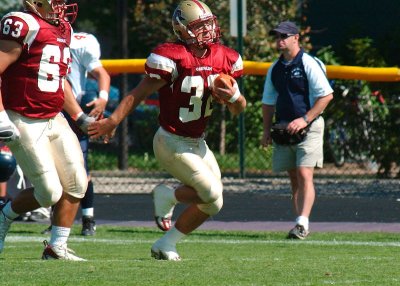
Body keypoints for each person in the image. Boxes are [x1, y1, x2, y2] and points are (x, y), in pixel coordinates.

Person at [89, 0, 246, 261]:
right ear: (183, 30)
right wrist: (113, 121)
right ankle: (167, 194)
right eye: (201, 26)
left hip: (198, 142)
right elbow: (138, 93)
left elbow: (238, 110)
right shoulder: (172, 56)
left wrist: (235, 97)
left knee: (214, 203)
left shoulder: (224, 57)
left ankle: (166, 243)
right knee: (211, 193)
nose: (209, 31)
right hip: (171, 141)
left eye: (209, 25)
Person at [0, 0, 93, 260]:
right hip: (24, 117)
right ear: (35, 3)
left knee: (77, 183)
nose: (62, 8)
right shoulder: (23, 23)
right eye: (56, 2)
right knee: (49, 191)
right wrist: (0, 115)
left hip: (54, 116)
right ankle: (3, 216)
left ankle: (56, 247)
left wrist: (80, 116)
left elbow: (56, 78)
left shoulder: (63, 28)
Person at [260, 21, 333, 239]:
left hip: (309, 127)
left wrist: (305, 119)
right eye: (277, 36)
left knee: (304, 173)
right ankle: (301, 224)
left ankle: (302, 222)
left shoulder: (308, 63)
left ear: (296, 38)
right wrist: (266, 132)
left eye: (284, 36)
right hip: (285, 129)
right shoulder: (275, 69)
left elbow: (326, 96)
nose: (280, 40)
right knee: (294, 178)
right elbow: (268, 102)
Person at [41, 31, 111, 236]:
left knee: (81, 166)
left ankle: (88, 218)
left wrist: (103, 98)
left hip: (73, 111)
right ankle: (57, 221)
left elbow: (102, 74)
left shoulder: (81, 42)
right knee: (54, 169)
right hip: (46, 110)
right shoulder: (38, 36)